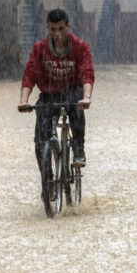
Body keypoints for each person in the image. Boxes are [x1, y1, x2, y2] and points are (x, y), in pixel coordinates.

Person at [18, 9, 94, 169]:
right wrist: (24, 101)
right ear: (48, 28)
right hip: (49, 94)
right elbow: (30, 75)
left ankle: (78, 149)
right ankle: (47, 182)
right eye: (52, 29)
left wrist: (87, 97)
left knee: (77, 109)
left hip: (72, 91)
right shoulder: (40, 49)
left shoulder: (80, 47)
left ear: (68, 27)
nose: (57, 34)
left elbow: (87, 72)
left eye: (61, 29)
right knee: (40, 139)